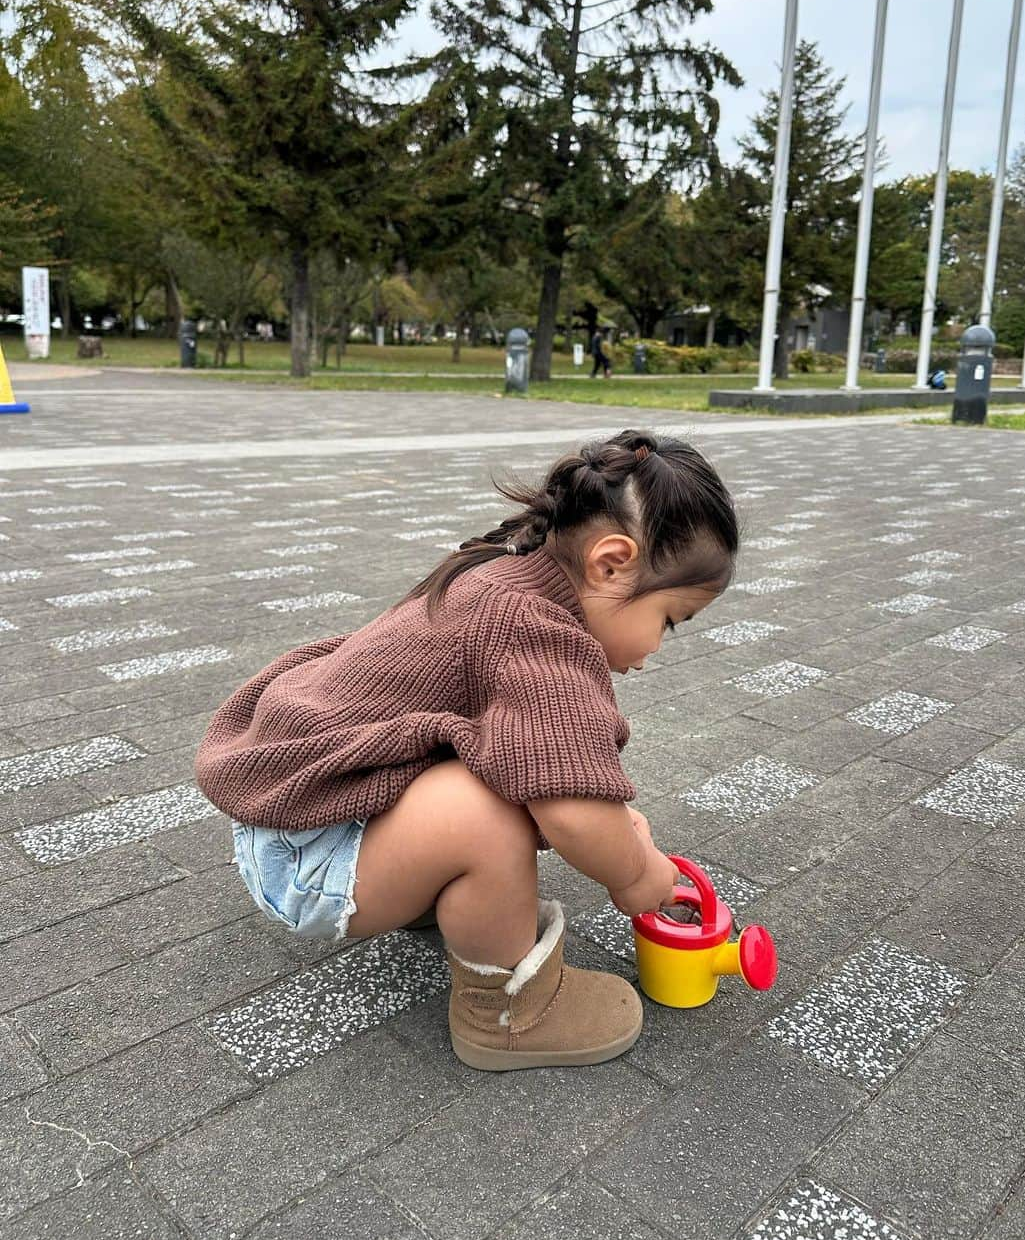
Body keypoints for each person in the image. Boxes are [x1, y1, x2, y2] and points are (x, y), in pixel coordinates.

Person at [195, 428, 739, 1072]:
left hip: (301, 816)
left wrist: (620, 832)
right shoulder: (532, 627)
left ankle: (435, 889)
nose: (655, 649)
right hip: (306, 857)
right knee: (490, 811)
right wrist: (635, 873)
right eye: (670, 620)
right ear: (611, 562)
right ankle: (507, 1017)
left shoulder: (501, 569)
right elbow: (572, 810)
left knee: (519, 780)